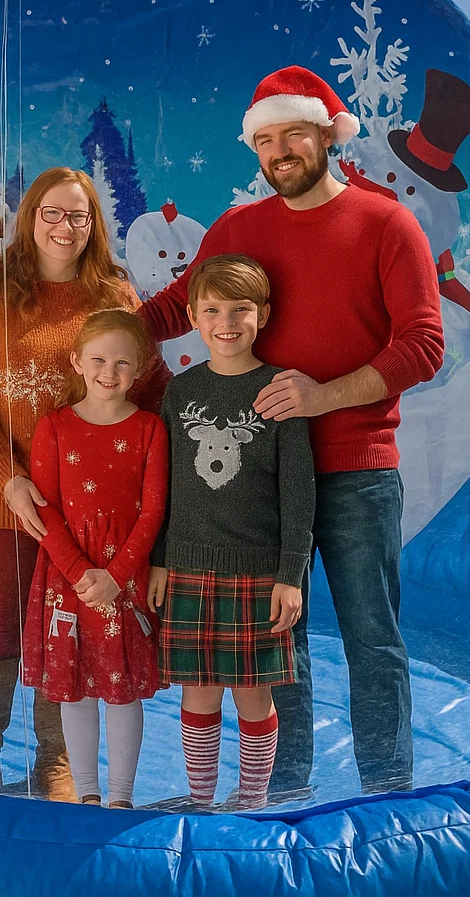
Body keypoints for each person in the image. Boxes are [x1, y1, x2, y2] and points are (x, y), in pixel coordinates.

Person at [140, 66, 444, 797]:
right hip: (259, 474)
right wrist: (88, 336)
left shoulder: (386, 223)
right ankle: (284, 789)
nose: (280, 151)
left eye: (294, 135)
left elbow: (423, 346)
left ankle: (387, 791)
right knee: (277, 642)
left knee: (372, 635)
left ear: (326, 136)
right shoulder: (239, 229)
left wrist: (322, 397)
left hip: (356, 467)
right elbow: (175, 309)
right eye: (266, 139)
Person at [0, 166, 171, 797]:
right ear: (30, 217)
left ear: (92, 224)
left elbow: (150, 390)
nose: (64, 227)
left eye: (78, 215)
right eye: (51, 212)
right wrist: (7, 479)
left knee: (65, 623)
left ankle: (57, 764)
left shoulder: (114, 295)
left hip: (89, 506)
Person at [148, 255, 315, 811]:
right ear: (194, 316)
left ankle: (250, 800)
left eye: (240, 309)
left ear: (262, 315)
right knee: (197, 689)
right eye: (213, 309)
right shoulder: (179, 393)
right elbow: (164, 488)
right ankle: (200, 800)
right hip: (189, 568)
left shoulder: (279, 393)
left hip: (258, 570)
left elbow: (298, 493)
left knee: (251, 692)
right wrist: (159, 561)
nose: (227, 321)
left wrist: (291, 576)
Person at [20, 310, 168, 809]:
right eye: (100, 359)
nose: (110, 371)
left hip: (123, 578)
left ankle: (121, 796)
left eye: (123, 362)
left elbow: (154, 512)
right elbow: (47, 513)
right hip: (68, 580)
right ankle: (86, 793)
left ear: (141, 368)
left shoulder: (150, 429)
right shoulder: (54, 427)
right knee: (76, 686)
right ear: (77, 362)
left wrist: (118, 575)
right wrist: (83, 573)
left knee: (121, 686)